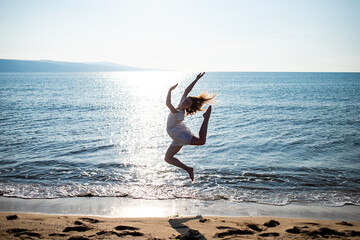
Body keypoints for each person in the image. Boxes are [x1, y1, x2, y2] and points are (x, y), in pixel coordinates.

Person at [165, 72, 215, 181]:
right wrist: (196, 79)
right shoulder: (180, 105)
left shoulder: (179, 113)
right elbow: (187, 91)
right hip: (175, 136)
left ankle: (206, 118)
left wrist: (169, 90)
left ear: (188, 107)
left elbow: (168, 104)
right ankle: (188, 169)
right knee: (168, 158)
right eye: (186, 100)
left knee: (202, 141)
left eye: (187, 103)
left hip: (179, 135)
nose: (185, 102)